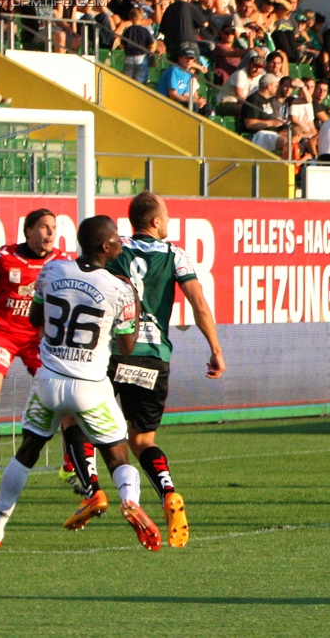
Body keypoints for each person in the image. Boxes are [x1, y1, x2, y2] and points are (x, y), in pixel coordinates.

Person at [0, 215, 162, 551]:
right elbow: (127, 346)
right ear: (106, 246)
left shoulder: (53, 271)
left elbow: (35, 319)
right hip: (90, 384)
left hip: (48, 380)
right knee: (119, 457)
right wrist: (132, 304)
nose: (121, 241)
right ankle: (130, 500)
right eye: (117, 238)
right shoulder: (119, 288)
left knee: (26, 454)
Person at [65, 193, 226, 549]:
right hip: (154, 357)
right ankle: (168, 492)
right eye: (165, 217)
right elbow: (199, 304)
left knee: (74, 420)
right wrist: (215, 349)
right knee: (142, 441)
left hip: (111, 351)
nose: (168, 222)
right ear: (154, 222)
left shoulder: (114, 248)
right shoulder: (175, 255)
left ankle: (91, 490)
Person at [0, 210, 71, 499]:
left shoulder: (62, 262)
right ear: (28, 231)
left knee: (63, 401)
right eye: (44, 227)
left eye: (53, 228)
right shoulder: (4, 257)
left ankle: (72, 467)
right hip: (1, 334)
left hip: (37, 340)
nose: (51, 233)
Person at [157, 43, 212, 115]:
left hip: (180, 100)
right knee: (193, 105)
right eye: (186, 58)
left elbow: (186, 94)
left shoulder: (189, 73)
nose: (189, 61)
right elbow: (173, 95)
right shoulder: (174, 70)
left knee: (207, 106)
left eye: (191, 58)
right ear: (180, 58)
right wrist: (194, 101)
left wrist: (198, 100)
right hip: (167, 100)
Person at [121, 7, 156, 84]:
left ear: (130, 17)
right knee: (140, 81)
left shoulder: (127, 30)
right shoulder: (145, 31)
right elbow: (152, 45)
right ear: (142, 18)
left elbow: (122, 44)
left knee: (127, 80)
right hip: (141, 57)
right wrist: (150, 52)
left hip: (129, 57)